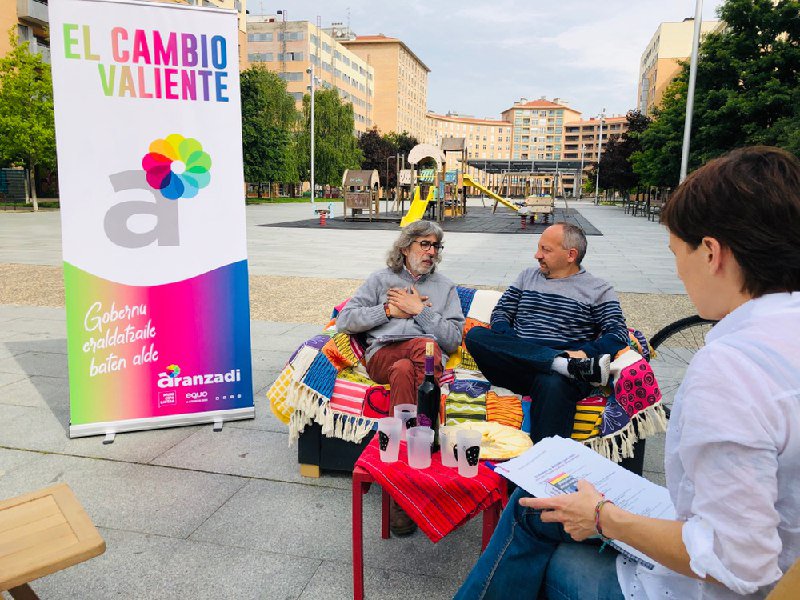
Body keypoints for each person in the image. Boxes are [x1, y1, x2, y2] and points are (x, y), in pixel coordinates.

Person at [455, 145, 800, 600]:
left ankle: (558, 376)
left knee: (531, 508)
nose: (677, 272)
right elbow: (500, 318)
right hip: (530, 358)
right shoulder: (783, 335)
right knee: (490, 342)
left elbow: (735, 560)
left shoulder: (731, 366)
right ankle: (559, 366)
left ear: (711, 253)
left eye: (677, 253)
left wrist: (601, 516)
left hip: (705, 588)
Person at [336, 219, 465, 536]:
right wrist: (390, 312)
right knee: (426, 348)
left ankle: (401, 486)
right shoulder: (381, 279)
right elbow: (345, 320)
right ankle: (428, 443)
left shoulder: (445, 287)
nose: (431, 251)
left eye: (436, 246)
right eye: (425, 244)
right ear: (406, 246)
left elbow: (453, 339)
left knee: (409, 368)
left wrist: (418, 310)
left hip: (415, 362)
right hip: (382, 353)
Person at [465, 222, 629, 442]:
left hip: (563, 377)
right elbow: (501, 313)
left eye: (546, 250)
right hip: (517, 365)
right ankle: (560, 363)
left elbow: (618, 333)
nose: (537, 255)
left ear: (571, 255)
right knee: (476, 336)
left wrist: (585, 353)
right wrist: (516, 345)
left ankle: (543, 469)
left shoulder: (598, 290)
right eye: (539, 248)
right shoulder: (527, 277)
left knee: (552, 382)